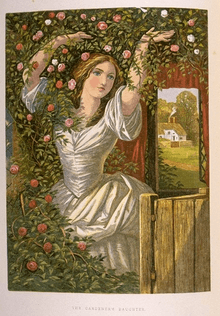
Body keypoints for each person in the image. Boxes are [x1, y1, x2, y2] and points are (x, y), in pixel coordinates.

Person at [22, 28, 174, 274]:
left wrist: (141, 47)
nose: (104, 82)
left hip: (104, 199)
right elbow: (30, 76)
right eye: (98, 73)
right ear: (82, 74)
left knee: (111, 260)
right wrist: (58, 40)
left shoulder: (113, 112)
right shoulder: (59, 107)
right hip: (66, 197)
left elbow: (134, 88)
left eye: (111, 77)